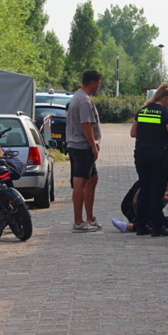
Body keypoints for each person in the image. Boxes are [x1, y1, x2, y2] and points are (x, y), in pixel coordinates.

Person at [130, 83, 168, 236]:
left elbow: (133, 133)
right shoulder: (165, 114)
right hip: (159, 155)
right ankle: (157, 226)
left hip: (141, 153)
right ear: (166, 98)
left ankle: (141, 225)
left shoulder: (142, 111)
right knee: (157, 190)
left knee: (145, 188)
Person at [66, 70, 103, 232]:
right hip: (82, 147)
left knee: (92, 179)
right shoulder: (84, 101)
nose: (99, 86)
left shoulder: (78, 96)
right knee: (80, 184)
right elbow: (86, 125)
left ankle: (90, 217)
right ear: (93, 82)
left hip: (77, 145)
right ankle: (78, 222)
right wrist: (93, 146)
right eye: (99, 83)